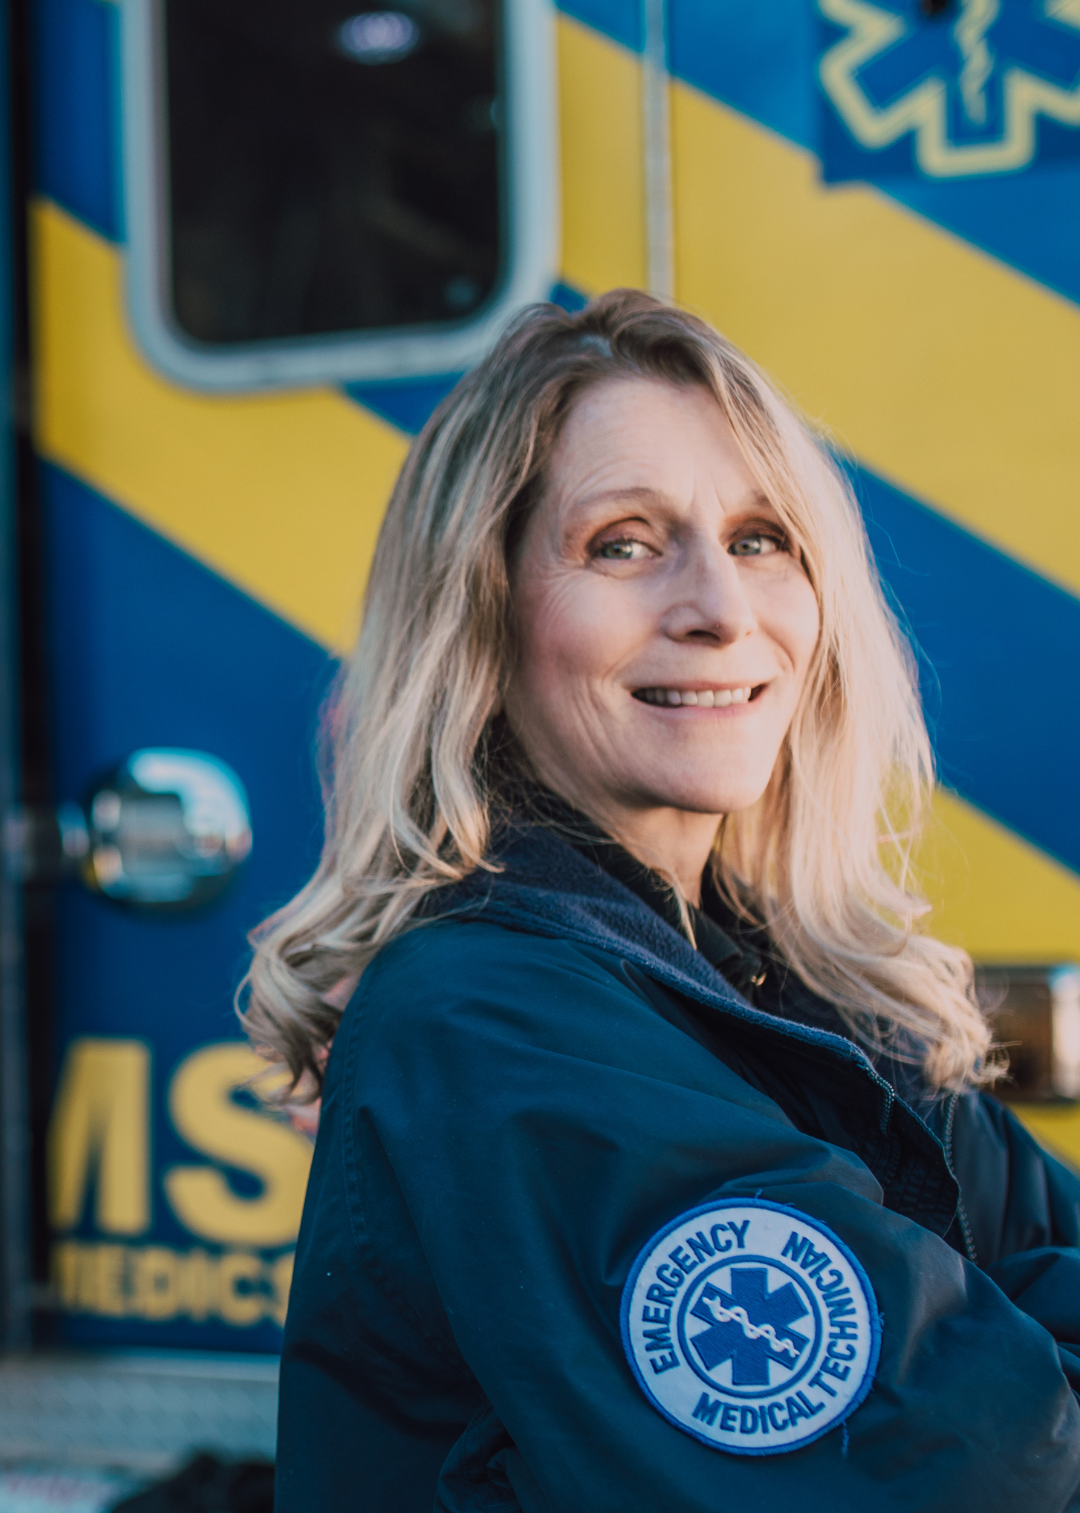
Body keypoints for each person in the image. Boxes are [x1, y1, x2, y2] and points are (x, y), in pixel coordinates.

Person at [242, 291, 1080, 1511]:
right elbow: (970, 1469)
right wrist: (994, 1335)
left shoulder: (779, 980)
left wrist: (1004, 1353)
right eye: (623, 544)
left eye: (759, 538)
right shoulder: (486, 1016)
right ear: (482, 614)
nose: (720, 610)